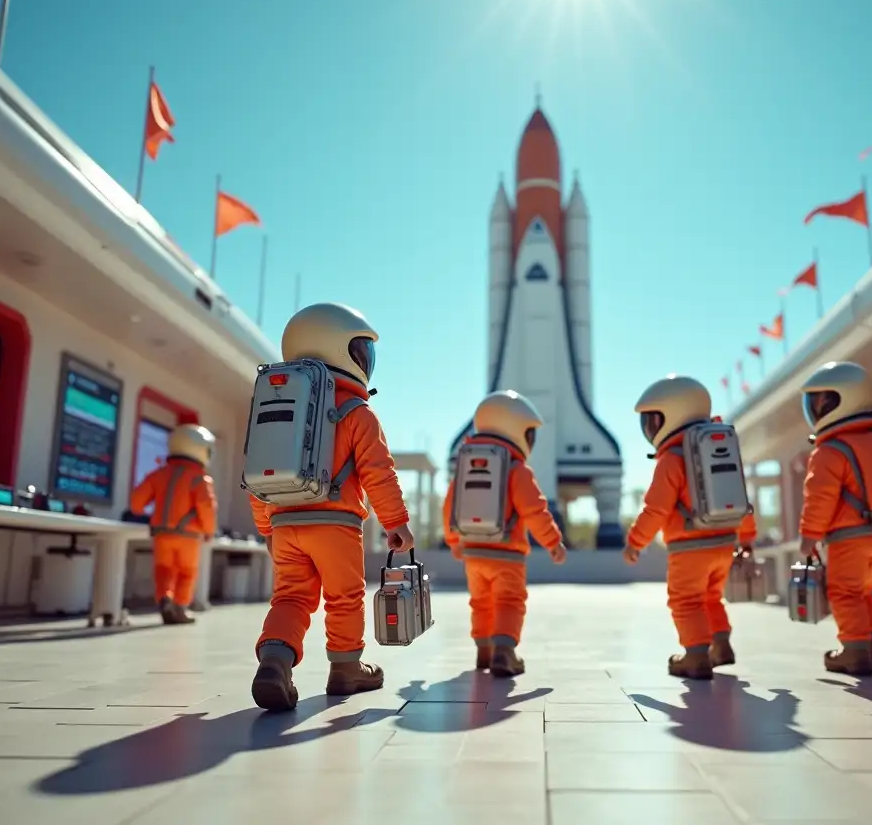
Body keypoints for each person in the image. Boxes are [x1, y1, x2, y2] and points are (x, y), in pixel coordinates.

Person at [248, 303, 414, 711]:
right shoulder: (358, 413)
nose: (364, 361)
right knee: (344, 597)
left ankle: (275, 661)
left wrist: (266, 528)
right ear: (339, 351)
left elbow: (257, 474)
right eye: (359, 351)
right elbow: (379, 473)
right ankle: (345, 668)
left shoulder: (275, 408)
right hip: (335, 525)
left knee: (290, 599)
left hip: (285, 523)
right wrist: (397, 522)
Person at [623, 375, 757, 679]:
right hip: (724, 542)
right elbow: (740, 497)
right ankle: (721, 645)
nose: (651, 429)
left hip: (689, 548)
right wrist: (747, 537)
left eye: (653, 420)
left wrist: (635, 542)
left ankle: (696, 655)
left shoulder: (672, 458)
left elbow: (655, 508)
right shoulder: (719, 448)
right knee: (711, 597)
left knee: (686, 600)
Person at [443, 390, 567, 677]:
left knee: (480, 602)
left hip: (473, 553)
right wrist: (553, 542)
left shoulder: (463, 465)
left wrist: (454, 541)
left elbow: (449, 508)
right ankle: (505, 652)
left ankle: (483, 652)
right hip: (507, 554)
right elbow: (535, 510)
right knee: (509, 602)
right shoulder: (516, 468)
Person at [798, 361, 872, 676]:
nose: (816, 409)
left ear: (844, 400)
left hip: (848, 535)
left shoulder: (830, 450)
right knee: (862, 591)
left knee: (843, 592)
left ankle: (853, 650)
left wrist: (810, 535)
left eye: (822, 402)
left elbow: (820, 497)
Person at [128, 423, 218, 625]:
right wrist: (209, 531)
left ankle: (164, 599)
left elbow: (136, 503)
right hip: (189, 536)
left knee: (163, 570)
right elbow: (207, 507)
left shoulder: (158, 474)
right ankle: (179, 608)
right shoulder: (200, 479)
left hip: (162, 534)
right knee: (187, 573)